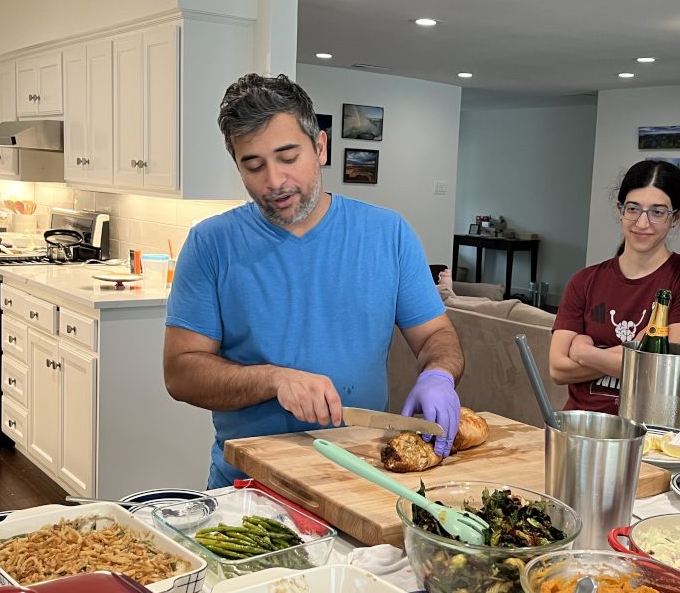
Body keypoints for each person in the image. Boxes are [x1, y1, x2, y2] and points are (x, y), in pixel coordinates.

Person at [163, 73, 465, 487]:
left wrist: (439, 375)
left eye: (288, 157)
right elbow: (180, 374)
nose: (274, 182)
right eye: (253, 165)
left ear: (320, 146)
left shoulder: (388, 234)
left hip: (363, 477)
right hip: (248, 486)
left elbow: (436, 336)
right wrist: (273, 379)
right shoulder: (211, 244)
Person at [549, 160, 680, 414]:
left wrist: (584, 352)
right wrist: (631, 355)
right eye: (633, 209)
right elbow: (557, 369)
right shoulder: (585, 280)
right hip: (579, 424)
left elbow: (659, 369)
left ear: (676, 217)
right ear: (620, 209)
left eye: (658, 212)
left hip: (646, 429)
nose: (642, 223)